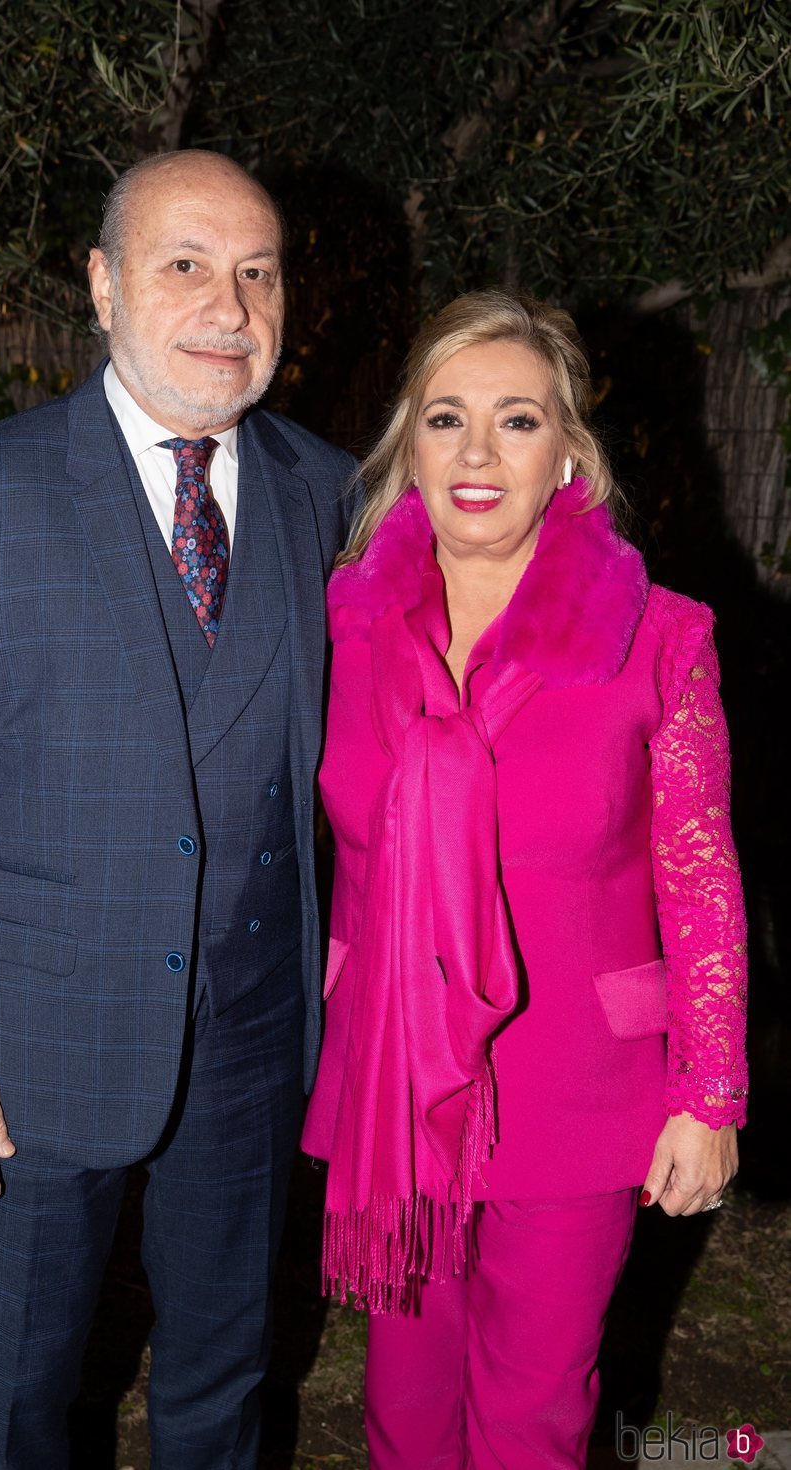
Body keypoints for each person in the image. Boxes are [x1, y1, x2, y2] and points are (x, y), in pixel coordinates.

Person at [0, 149, 357, 1470]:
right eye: (185, 263)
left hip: (252, 1046)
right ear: (102, 284)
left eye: (257, 271)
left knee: (222, 1385)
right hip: (30, 1052)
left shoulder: (330, 492)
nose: (227, 306)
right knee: (18, 1401)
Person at [301, 290, 748, 1469]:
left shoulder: (657, 637)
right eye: (446, 419)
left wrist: (709, 1097)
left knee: (529, 1412)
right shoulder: (343, 625)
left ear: (567, 455)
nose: (478, 453)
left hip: (577, 1086)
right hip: (392, 1082)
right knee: (399, 1405)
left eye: (517, 420)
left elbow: (699, 878)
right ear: (408, 445)